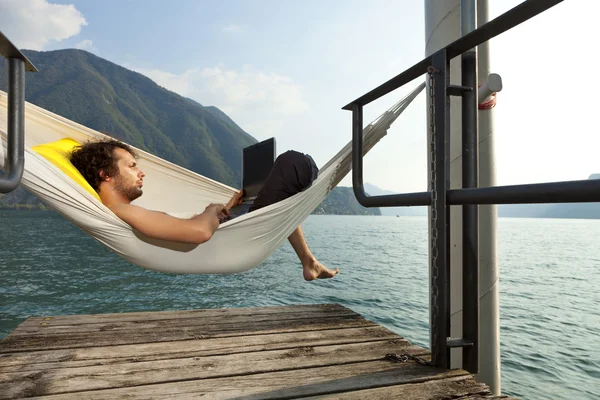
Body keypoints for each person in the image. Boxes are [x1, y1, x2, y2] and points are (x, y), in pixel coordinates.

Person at [70, 139, 339, 281]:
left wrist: (227, 209)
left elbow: (192, 228)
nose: (141, 172)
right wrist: (212, 210)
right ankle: (309, 262)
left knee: (281, 198)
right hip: (224, 241)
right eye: (131, 166)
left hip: (227, 232)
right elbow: (199, 232)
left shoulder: (125, 211)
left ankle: (309, 262)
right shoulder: (123, 212)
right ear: (105, 174)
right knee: (294, 163)